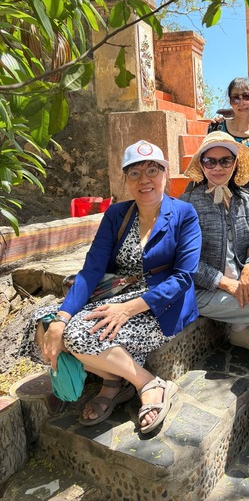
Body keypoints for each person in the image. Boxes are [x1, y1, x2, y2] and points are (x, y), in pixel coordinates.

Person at [20, 140, 201, 434]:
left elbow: (183, 277)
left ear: (165, 174)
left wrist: (127, 310)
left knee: (77, 336)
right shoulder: (117, 214)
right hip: (117, 293)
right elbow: (92, 269)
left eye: (153, 170)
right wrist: (62, 318)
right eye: (135, 173)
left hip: (159, 302)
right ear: (125, 179)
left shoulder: (184, 213)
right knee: (44, 324)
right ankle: (115, 381)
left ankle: (149, 383)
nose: (144, 180)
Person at [180, 131, 249, 355]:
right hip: (202, 289)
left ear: (235, 163)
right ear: (202, 165)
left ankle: (241, 328)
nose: (218, 168)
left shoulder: (246, 201)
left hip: (239, 273)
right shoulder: (187, 205)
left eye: (225, 161)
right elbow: (184, 260)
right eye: (210, 161)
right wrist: (227, 284)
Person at [208, 77, 249, 211]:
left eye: (246, 96)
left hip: (247, 200)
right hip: (214, 196)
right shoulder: (217, 128)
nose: (241, 102)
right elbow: (207, 164)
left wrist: (234, 197)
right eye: (235, 98)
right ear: (230, 101)